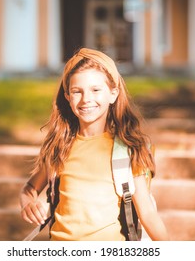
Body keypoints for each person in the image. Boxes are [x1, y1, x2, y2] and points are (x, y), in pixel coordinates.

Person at [20, 47, 169, 241]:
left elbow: (147, 214)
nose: (86, 99)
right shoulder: (59, 146)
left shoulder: (128, 149)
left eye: (95, 90)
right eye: (76, 91)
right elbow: (29, 188)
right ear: (67, 96)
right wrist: (27, 203)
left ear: (113, 93)